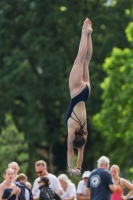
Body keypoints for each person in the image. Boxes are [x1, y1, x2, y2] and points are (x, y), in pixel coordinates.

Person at [65, 18, 93, 176]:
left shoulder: (84, 132)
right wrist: (70, 168)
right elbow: (71, 152)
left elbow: (80, 152)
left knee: (87, 61)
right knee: (80, 60)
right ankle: (84, 32)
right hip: (76, 91)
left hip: (86, 92)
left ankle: (89, 35)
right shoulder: (72, 131)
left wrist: (79, 168)